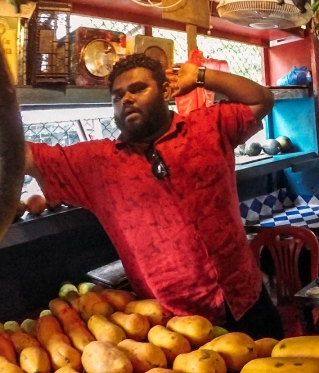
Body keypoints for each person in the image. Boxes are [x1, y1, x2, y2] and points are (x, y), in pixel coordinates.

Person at [24, 54, 284, 339]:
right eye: (117, 96)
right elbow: (25, 156)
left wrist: (200, 76)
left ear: (166, 91)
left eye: (137, 89)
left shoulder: (208, 127)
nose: (126, 99)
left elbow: (261, 100)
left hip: (246, 298)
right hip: (175, 326)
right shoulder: (96, 164)